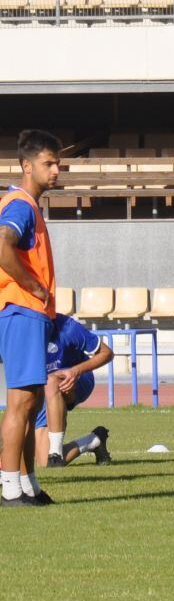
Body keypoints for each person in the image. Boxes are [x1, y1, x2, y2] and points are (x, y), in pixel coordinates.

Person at [0, 129, 61, 507]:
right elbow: (2, 245)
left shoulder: (29, 206)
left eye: (57, 163)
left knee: (33, 400)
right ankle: (8, 487)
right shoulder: (20, 204)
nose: (56, 170)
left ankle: (28, 485)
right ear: (26, 166)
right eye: (48, 164)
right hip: (22, 310)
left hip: (29, 314)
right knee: (21, 401)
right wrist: (35, 287)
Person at [35, 313, 114, 467]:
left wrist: (75, 371)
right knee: (43, 463)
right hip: (43, 390)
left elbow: (107, 353)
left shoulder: (68, 327)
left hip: (79, 379)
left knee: (52, 381)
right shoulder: (19, 331)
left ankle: (55, 452)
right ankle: (93, 441)